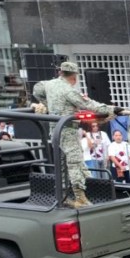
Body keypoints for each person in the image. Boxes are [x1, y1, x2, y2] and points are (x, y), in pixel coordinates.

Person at [31, 61, 118, 207]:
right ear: (74, 77)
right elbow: (88, 104)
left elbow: (36, 90)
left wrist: (48, 105)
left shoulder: (49, 84)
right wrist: (110, 109)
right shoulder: (69, 90)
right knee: (75, 163)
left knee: (62, 164)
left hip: (55, 130)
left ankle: (63, 195)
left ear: (60, 73)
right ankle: (80, 197)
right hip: (68, 130)